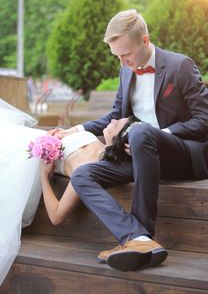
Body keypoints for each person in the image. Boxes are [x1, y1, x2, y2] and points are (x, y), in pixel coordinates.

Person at [55, 9, 208, 272]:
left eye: (126, 55)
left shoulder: (180, 65)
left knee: (140, 132)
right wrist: (77, 128)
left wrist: (159, 135)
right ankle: (137, 237)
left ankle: (143, 235)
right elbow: (116, 115)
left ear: (145, 40)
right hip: (140, 155)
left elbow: (206, 120)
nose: (122, 63)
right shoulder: (126, 72)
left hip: (182, 155)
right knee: (83, 175)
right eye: (117, 56)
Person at [0, 97, 137, 285]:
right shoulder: (97, 143)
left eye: (117, 123)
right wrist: (59, 134)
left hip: (24, 159)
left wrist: (43, 174)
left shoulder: (89, 169)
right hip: (30, 138)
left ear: (120, 140)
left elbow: (56, 216)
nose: (112, 120)